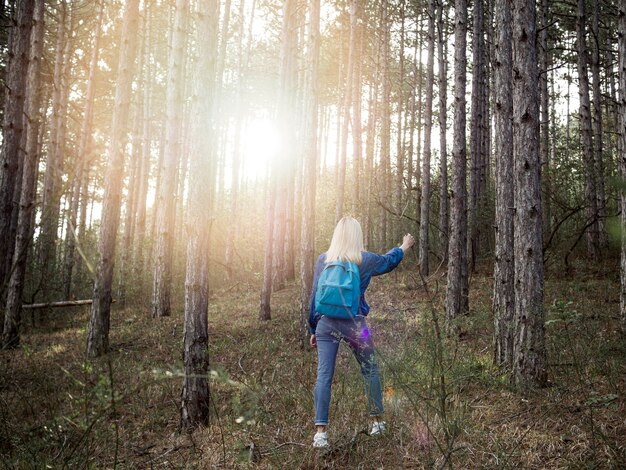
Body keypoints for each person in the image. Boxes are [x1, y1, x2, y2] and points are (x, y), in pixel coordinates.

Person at [308, 215, 415, 448]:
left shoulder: (323, 260)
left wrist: (314, 328)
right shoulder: (363, 260)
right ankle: (377, 423)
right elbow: (389, 261)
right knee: (370, 369)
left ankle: (320, 434)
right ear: (358, 236)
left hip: (325, 324)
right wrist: (404, 246)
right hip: (356, 325)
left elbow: (314, 295)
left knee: (324, 375)